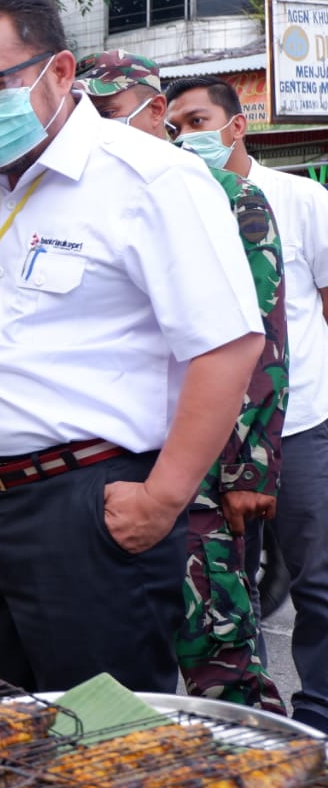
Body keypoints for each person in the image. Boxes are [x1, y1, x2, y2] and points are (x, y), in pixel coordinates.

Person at [0, 0, 264, 694]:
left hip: (89, 504)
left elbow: (228, 343)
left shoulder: (150, 178)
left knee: (105, 741)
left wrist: (163, 498)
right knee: (15, 731)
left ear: (58, 73)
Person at [76, 50, 287, 713]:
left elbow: (259, 342)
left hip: (202, 476)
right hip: (109, 470)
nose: (96, 125)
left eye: (108, 110)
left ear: (152, 110)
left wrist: (252, 469)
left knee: (222, 662)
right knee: (117, 677)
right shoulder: (84, 199)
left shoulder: (223, 195)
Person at [165, 76, 328, 732]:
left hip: (305, 423)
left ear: (237, 125)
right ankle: (247, 720)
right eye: (174, 125)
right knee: (225, 588)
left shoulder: (299, 198)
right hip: (209, 436)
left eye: (198, 119)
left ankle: (317, 716)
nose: (185, 136)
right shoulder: (178, 206)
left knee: (318, 582)